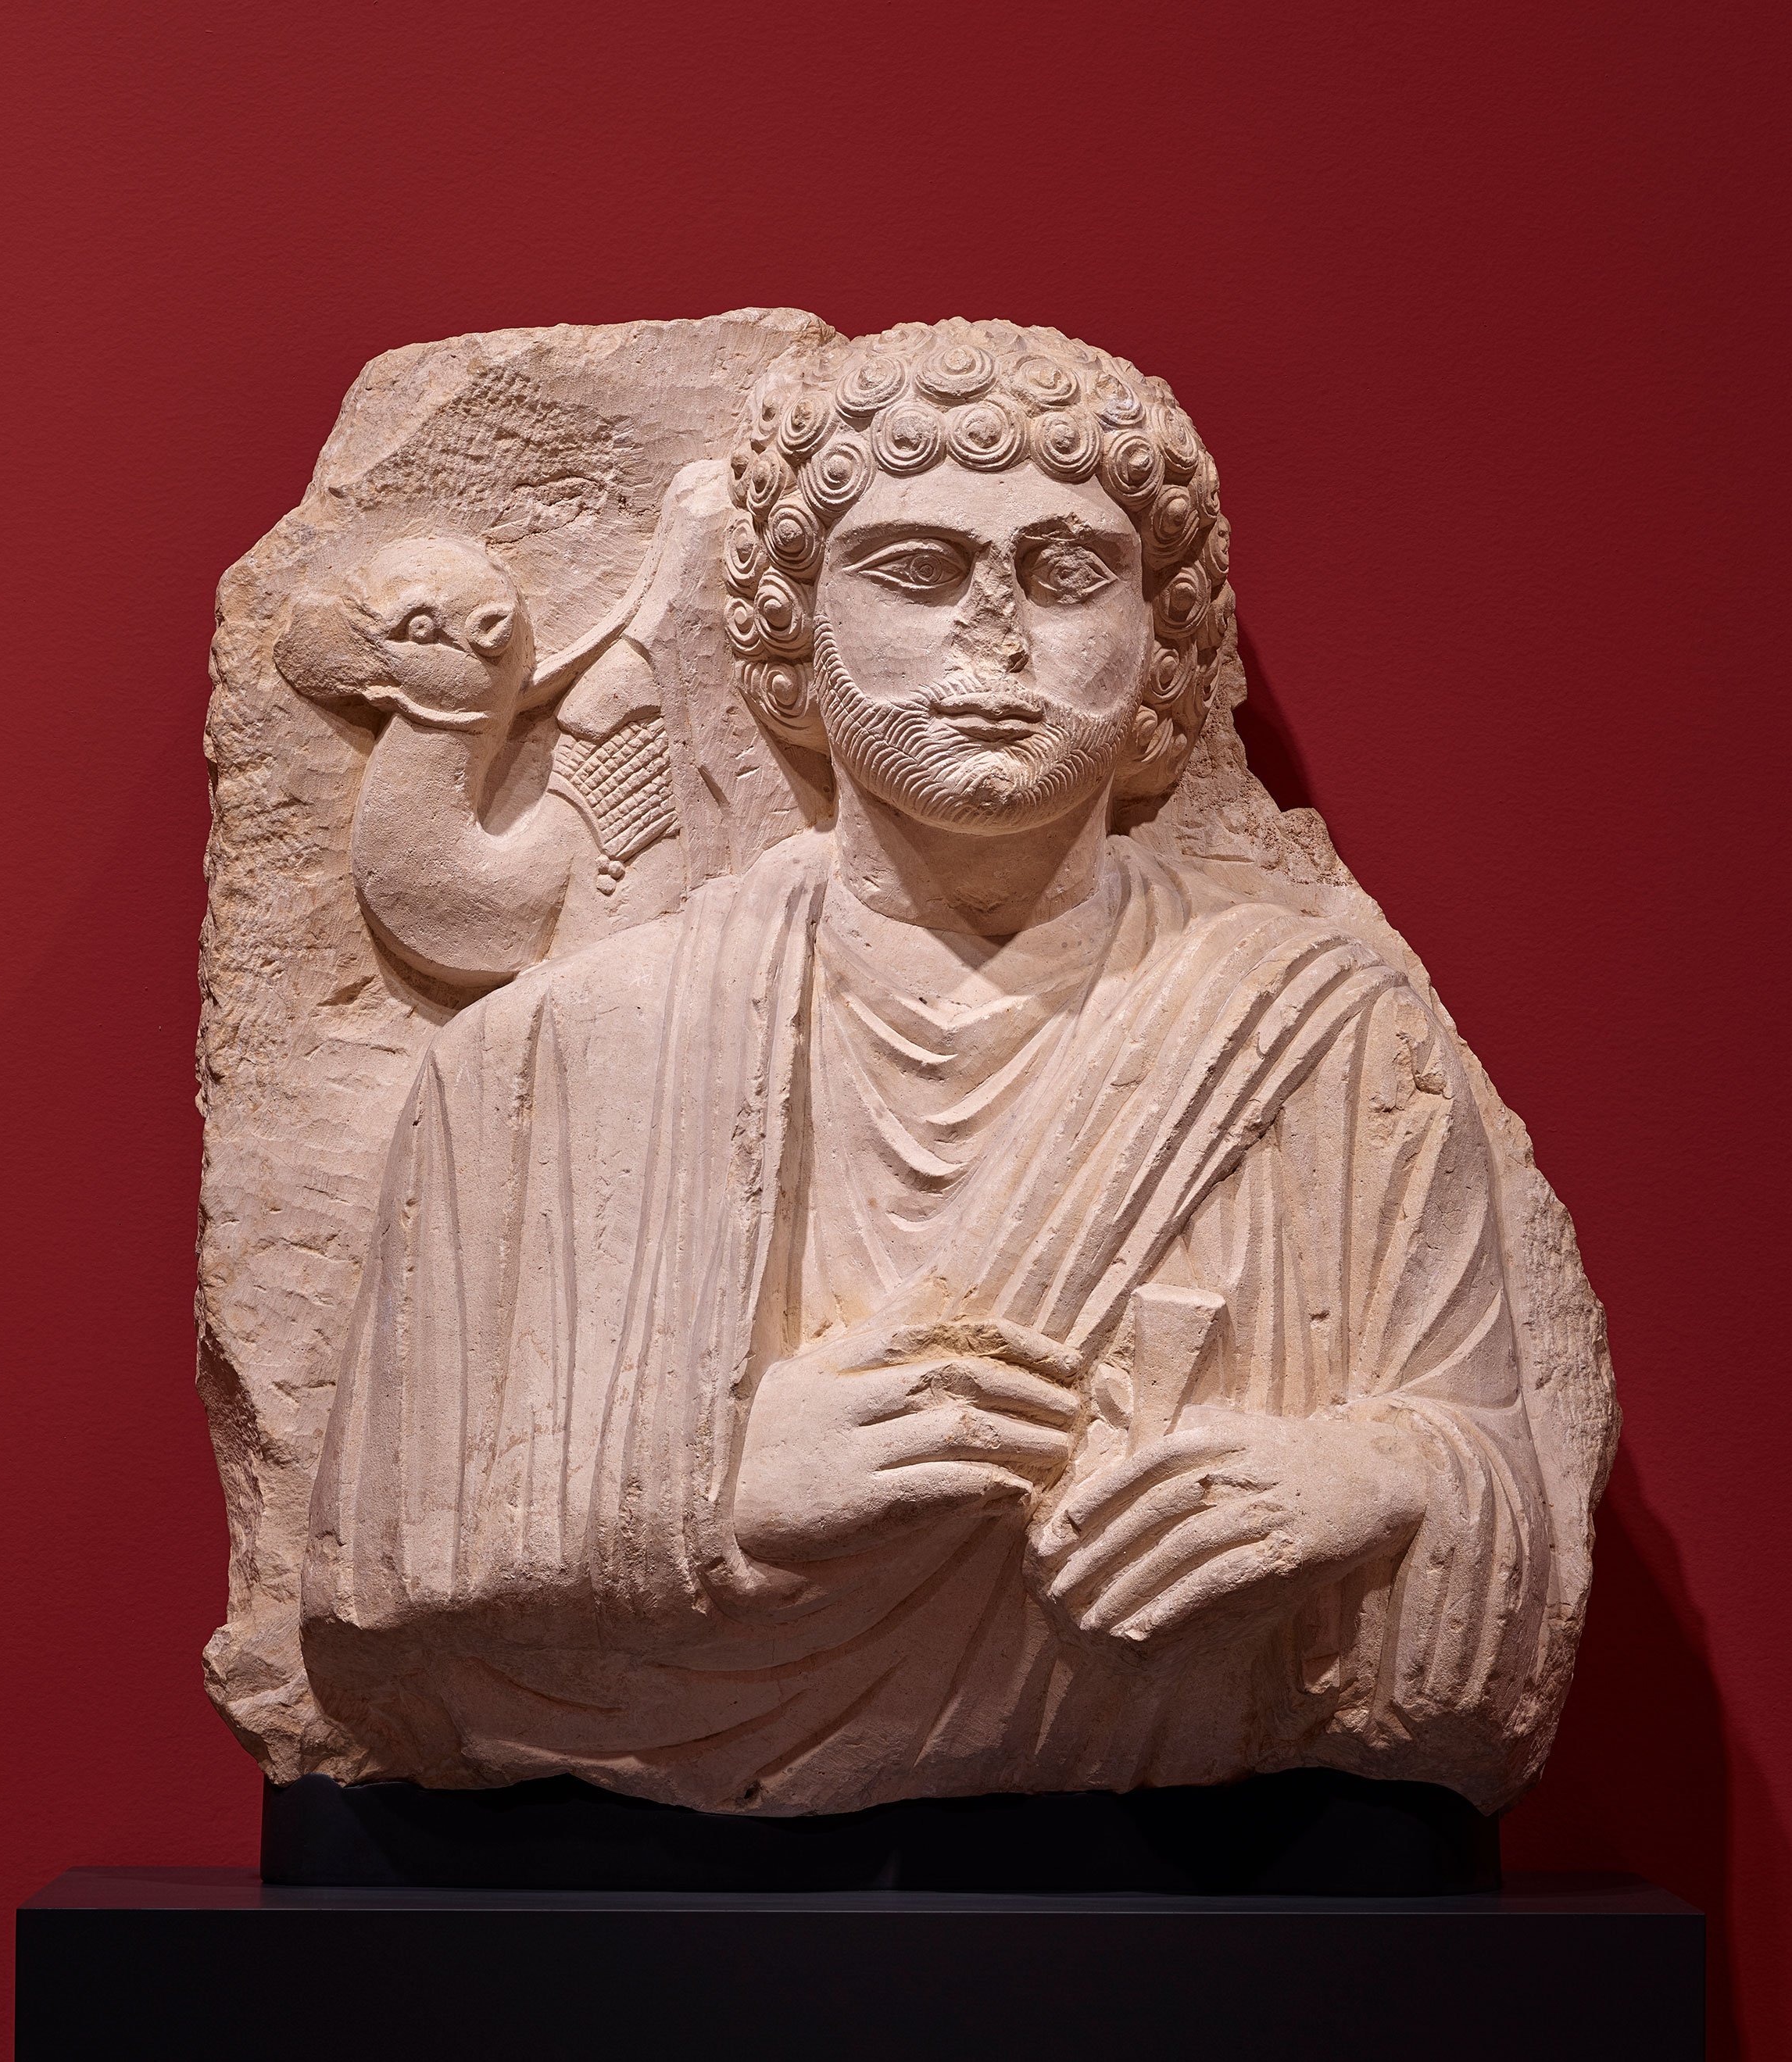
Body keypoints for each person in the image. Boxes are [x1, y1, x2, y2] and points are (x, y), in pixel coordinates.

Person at [301, 320, 1554, 1816]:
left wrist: (1369, 1478)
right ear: (792, 631)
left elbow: (1500, 1489)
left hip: (1204, 1831)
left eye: (1067, 572)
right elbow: (366, 1601)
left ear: (1160, 642)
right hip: (652, 1833)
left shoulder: (1328, 1037)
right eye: (915, 570)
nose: (996, 637)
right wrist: (704, 1493)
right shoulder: (544, 1065)